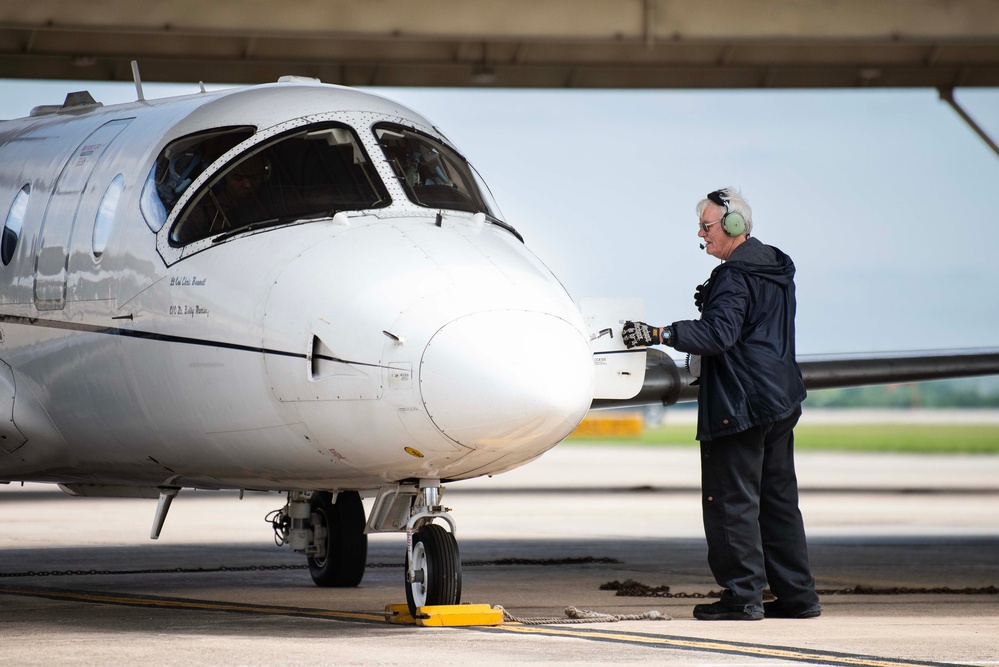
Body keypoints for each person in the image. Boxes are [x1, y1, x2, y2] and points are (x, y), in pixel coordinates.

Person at [622, 188, 821, 622]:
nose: (700, 234)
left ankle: (743, 597)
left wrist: (659, 334)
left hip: (740, 404)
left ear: (733, 226)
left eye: (707, 226)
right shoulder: (774, 268)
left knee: (731, 502)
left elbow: (719, 335)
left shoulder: (733, 276)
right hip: (780, 400)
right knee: (778, 501)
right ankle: (798, 597)